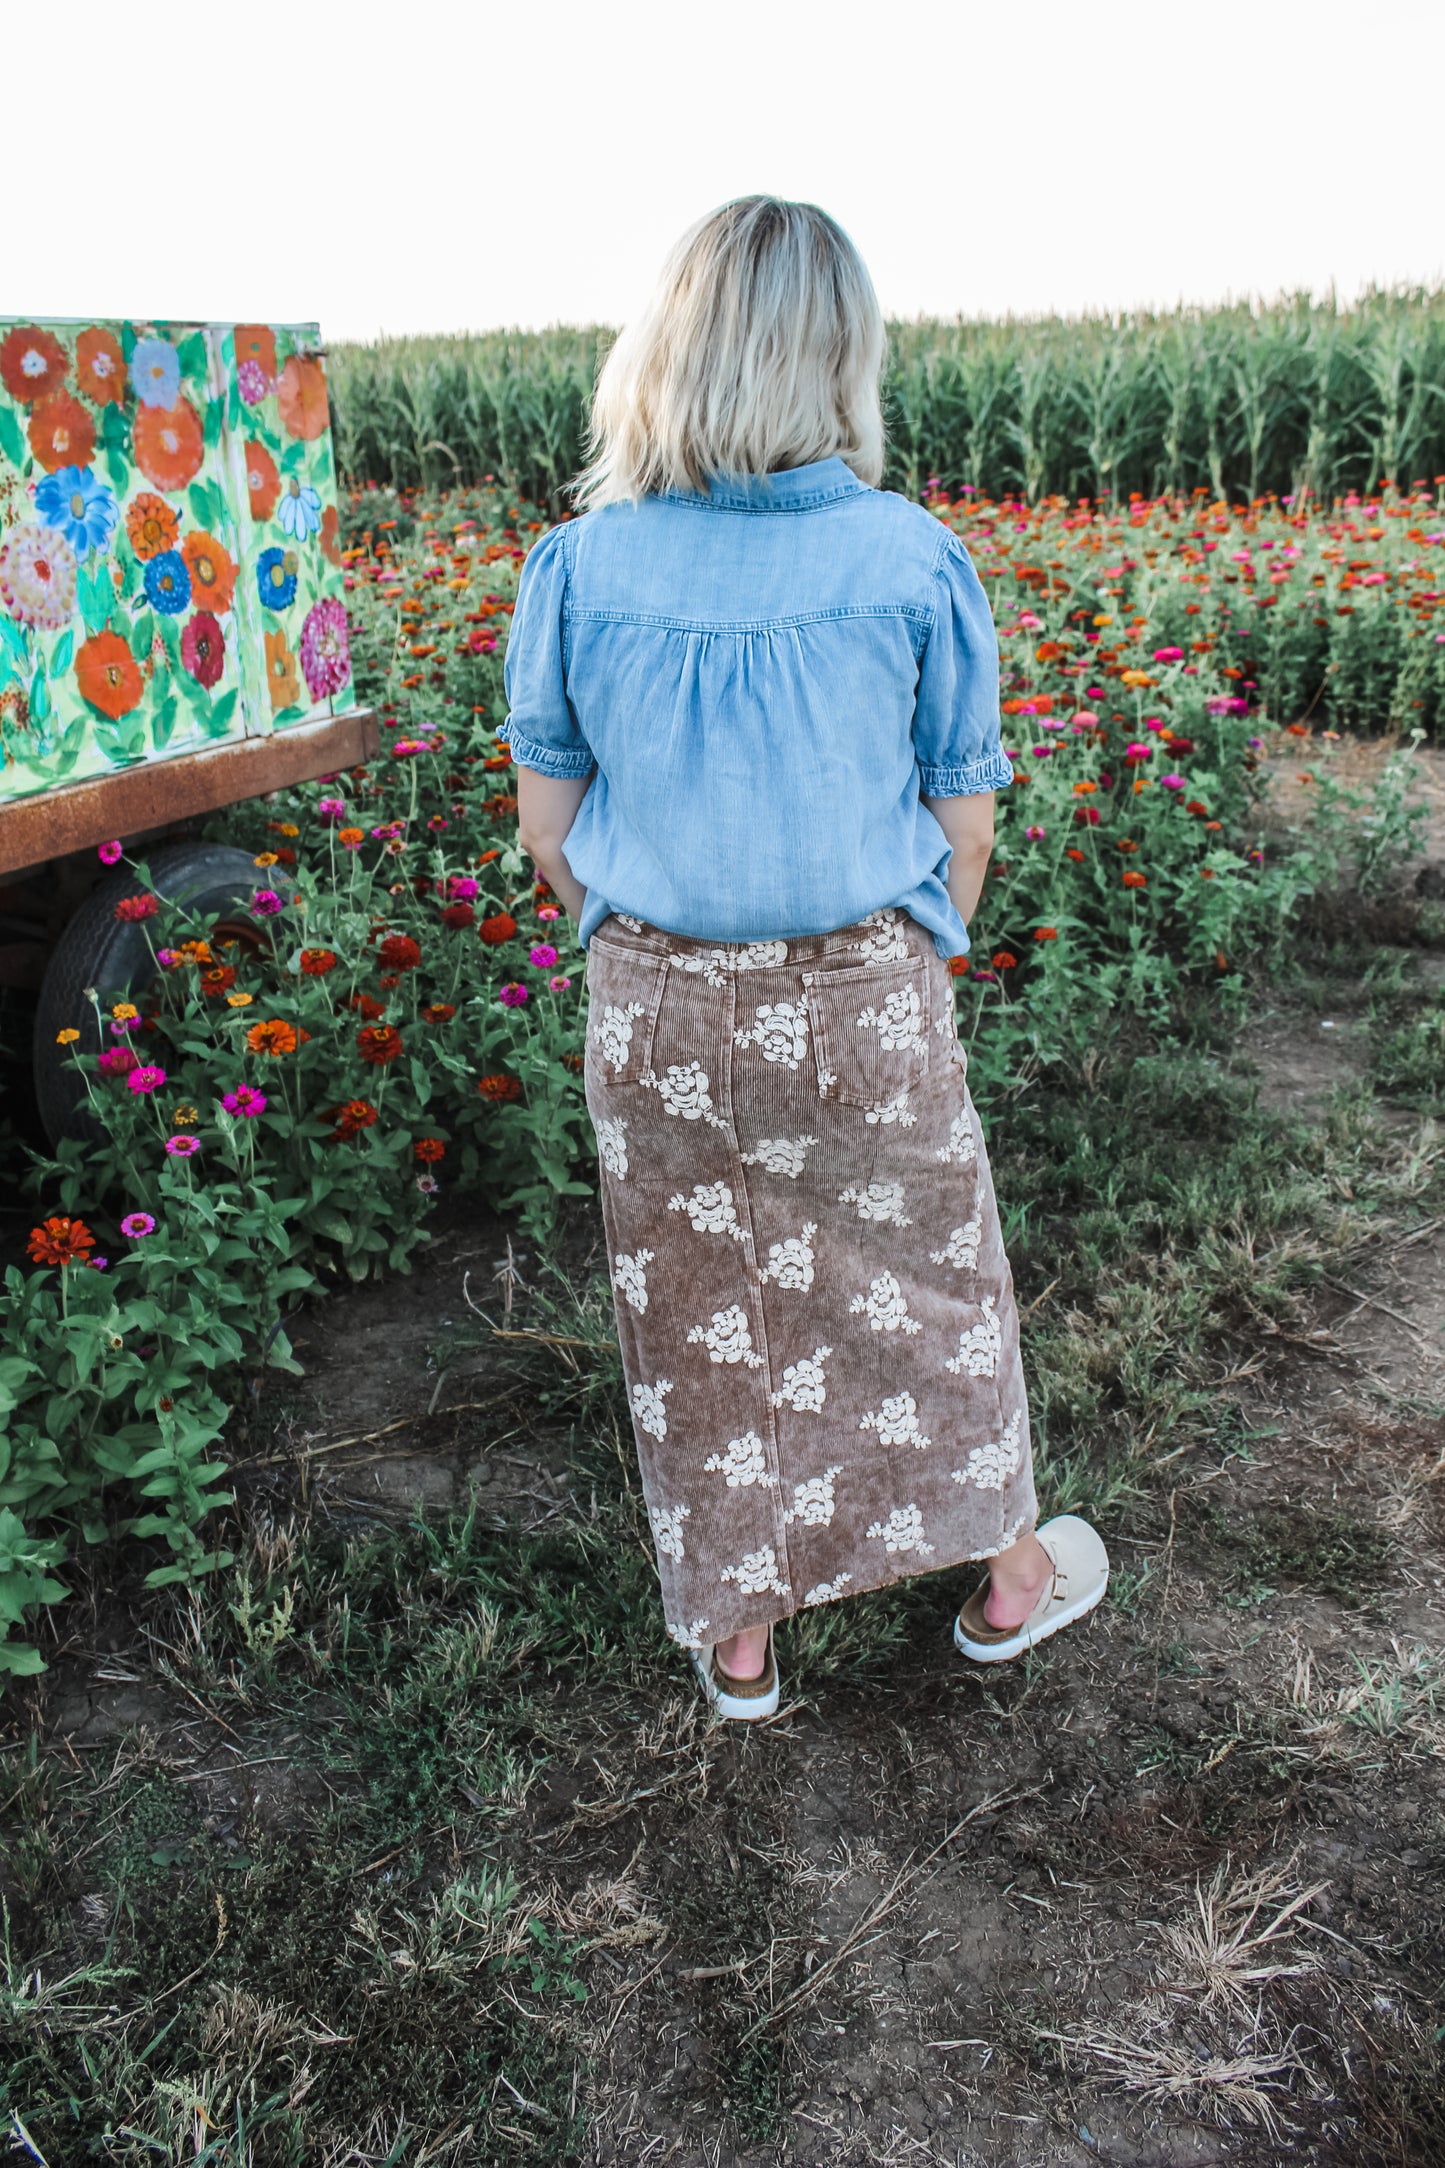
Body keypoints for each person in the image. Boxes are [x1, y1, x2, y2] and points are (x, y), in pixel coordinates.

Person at [504, 196, 1108, 1721]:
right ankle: (1005, 1578)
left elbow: (548, 831)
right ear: (839, 357)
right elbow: (963, 817)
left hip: (653, 1002)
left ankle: (741, 1633)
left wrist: (647, 948)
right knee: (926, 1282)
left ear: (668, 349)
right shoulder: (908, 556)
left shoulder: (579, 563)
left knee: (698, 1303)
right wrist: (910, 962)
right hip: (857, 989)